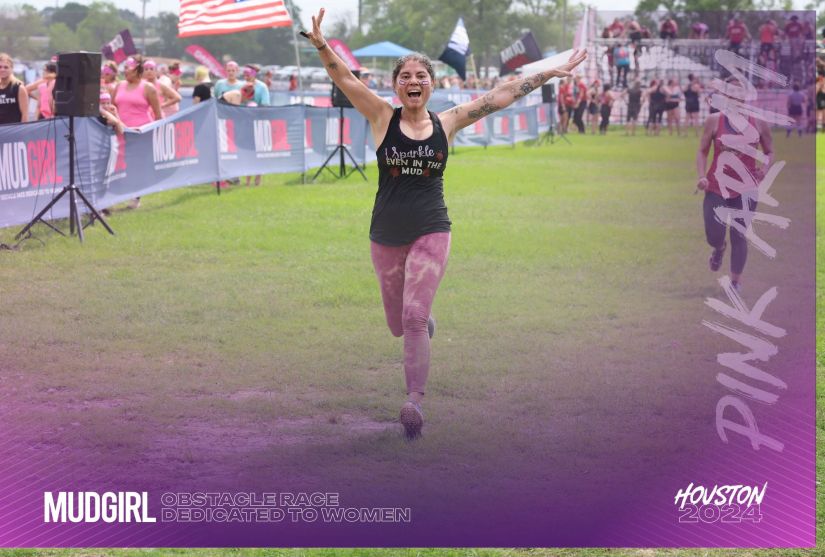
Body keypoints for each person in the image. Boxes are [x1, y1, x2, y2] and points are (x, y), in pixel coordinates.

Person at [304, 7, 586, 439]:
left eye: (421, 76)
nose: (413, 81)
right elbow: (345, 79)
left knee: (414, 317)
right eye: (405, 76)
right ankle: (422, 324)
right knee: (398, 324)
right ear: (396, 86)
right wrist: (322, 44)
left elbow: (501, 95)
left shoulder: (448, 121)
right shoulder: (381, 117)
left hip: (432, 229)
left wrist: (547, 73)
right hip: (385, 234)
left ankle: (413, 403)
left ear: (432, 84)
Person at [696, 94, 773, 292]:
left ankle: (735, 282)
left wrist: (765, 169)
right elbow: (703, 150)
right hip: (716, 186)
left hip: (746, 188)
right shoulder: (714, 120)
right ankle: (719, 248)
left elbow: (769, 151)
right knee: (714, 235)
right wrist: (701, 176)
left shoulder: (759, 122)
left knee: (739, 234)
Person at [111, 55, 162, 209]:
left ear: (138, 69)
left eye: (128, 68)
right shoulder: (119, 85)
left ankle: (135, 197)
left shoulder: (148, 88)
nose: (125, 70)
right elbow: (112, 108)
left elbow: (158, 115)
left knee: (136, 165)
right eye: (125, 67)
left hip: (141, 133)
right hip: (121, 131)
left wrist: (154, 133)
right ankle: (116, 194)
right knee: (119, 164)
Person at [0, 53, 28, 124]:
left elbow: (25, 115)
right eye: (0, 67)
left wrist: (23, 129)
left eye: (6, 67)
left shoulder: (19, 88)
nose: (2, 69)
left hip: (14, 129)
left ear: (11, 69)